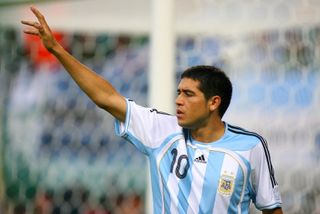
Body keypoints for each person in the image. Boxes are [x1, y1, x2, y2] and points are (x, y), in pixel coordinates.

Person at [21, 6, 283, 214]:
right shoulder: (162, 131)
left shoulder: (250, 147)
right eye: (179, 92)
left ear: (214, 103)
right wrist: (56, 49)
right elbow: (106, 97)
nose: (178, 100)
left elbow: (271, 209)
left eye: (189, 95)